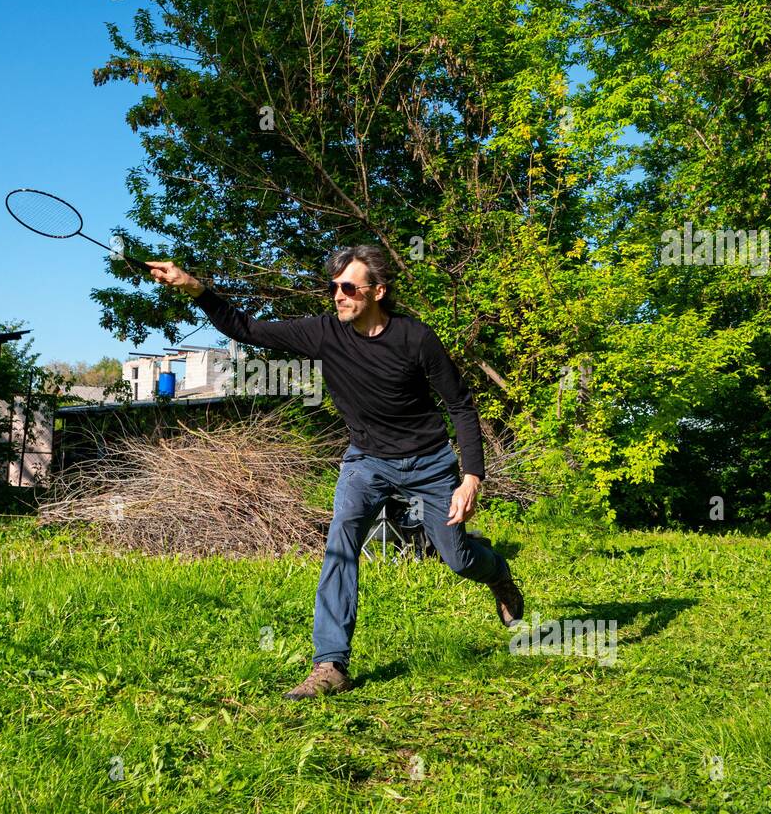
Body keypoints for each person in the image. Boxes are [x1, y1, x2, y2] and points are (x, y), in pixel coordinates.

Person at [145, 245, 524, 700]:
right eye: (333, 288)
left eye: (348, 287)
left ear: (378, 291)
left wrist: (471, 477)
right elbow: (245, 328)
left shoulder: (416, 339)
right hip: (366, 461)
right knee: (341, 543)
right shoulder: (323, 333)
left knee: (458, 559)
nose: (338, 296)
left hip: (428, 463)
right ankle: (330, 665)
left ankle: (498, 573)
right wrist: (195, 288)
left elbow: (460, 405)